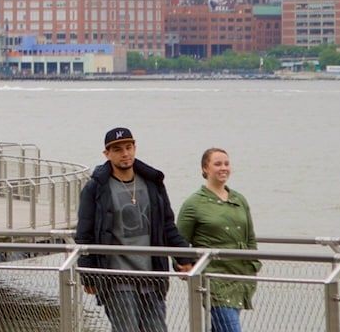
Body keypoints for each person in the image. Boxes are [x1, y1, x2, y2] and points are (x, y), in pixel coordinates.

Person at [75, 127, 195, 332]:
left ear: (135, 148)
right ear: (107, 154)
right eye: (118, 149)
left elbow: (167, 225)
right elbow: (84, 233)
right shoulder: (96, 187)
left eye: (129, 147)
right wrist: (88, 275)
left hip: (152, 274)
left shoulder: (152, 183)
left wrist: (184, 258)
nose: (125, 153)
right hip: (116, 277)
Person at [178, 148, 260, 332]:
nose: (223, 168)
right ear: (205, 168)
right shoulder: (194, 203)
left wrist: (253, 263)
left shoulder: (239, 199)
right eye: (217, 164)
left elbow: (250, 237)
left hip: (241, 276)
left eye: (226, 163)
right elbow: (179, 239)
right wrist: (185, 266)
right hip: (214, 279)